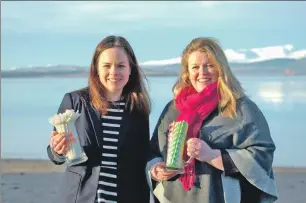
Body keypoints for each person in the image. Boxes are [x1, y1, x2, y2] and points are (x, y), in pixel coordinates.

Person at [146, 37, 278, 203]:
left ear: (221, 68)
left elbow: (263, 155)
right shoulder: (173, 109)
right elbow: (153, 150)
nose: (202, 72)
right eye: (195, 67)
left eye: (209, 65)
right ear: (187, 72)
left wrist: (213, 156)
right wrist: (156, 169)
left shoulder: (240, 108)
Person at [47, 35, 151, 203]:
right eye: (107, 66)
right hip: (81, 197)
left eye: (121, 66)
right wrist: (58, 150)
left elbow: (140, 161)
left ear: (130, 69)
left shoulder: (137, 109)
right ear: (96, 68)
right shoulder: (75, 101)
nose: (114, 72)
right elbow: (55, 156)